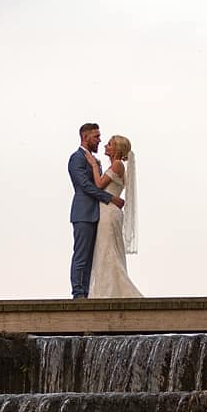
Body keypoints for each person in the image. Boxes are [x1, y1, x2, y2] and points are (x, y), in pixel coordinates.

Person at [67, 123, 124, 299]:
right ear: (85, 137)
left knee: (93, 258)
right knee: (82, 255)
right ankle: (78, 294)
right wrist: (110, 198)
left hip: (99, 215)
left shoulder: (95, 161)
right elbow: (85, 186)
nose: (100, 140)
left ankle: (86, 293)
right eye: (96, 137)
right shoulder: (77, 158)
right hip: (83, 213)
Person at [84, 135, 142, 298]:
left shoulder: (117, 165)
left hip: (108, 213)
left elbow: (99, 185)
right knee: (106, 251)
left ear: (116, 149)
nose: (105, 146)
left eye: (109, 144)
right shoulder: (116, 166)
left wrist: (94, 166)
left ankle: (112, 292)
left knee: (108, 251)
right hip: (108, 211)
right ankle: (106, 290)